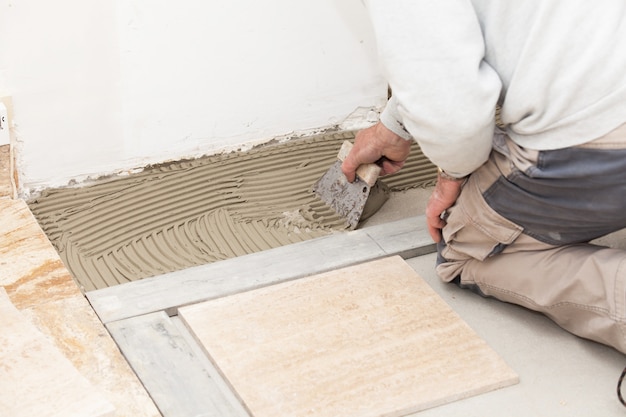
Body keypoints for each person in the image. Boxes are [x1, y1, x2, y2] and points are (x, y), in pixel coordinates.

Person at [341, 0, 626, 354]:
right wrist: (395, 126)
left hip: (603, 138)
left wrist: (452, 173)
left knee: (467, 254)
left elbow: (458, 119)